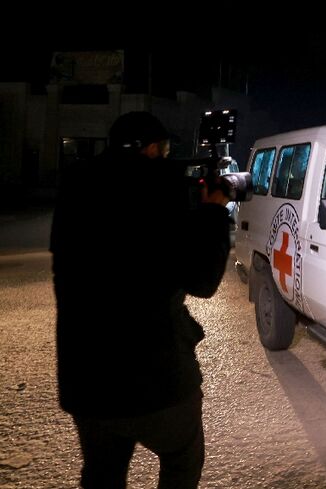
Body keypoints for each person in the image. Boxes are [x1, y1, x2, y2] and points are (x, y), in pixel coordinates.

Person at [50, 111, 231, 488]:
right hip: (158, 377)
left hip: (87, 376)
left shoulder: (76, 186)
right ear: (150, 149)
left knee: (102, 474)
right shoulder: (161, 189)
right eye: (163, 149)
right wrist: (212, 213)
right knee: (182, 460)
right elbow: (202, 281)